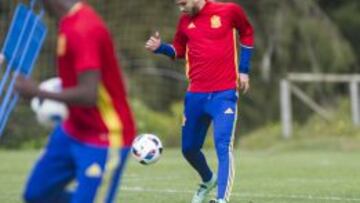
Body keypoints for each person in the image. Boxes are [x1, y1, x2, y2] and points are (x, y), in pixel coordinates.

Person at [15, 0, 136, 202]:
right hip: (72, 130)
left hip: (104, 137)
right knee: (36, 194)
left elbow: (89, 96)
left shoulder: (84, 28)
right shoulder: (67, 22)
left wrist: (38, 93)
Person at [145, 0, 254, 202]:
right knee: (188, 149)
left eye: (183, 3)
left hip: (224, 94)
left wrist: (244, 70)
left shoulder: (229, 11)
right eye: (178, 5)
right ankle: (208, 179)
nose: (181, 8)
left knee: (223, 146)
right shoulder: (185, 21)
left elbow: (247, 32)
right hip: (196, 94)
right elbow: (178, 49)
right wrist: (160, 48)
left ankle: (222, 200)